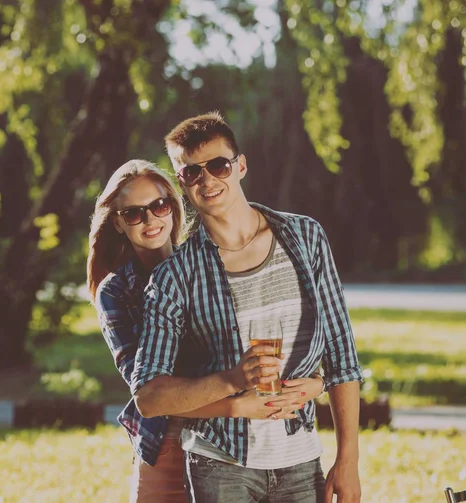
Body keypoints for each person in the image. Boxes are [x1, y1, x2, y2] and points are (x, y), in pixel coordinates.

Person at [131, 113, 364, 503]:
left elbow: (342, 357)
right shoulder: (175, 276)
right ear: (181, 183)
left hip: (301, 459)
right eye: (191, 173)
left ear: (240, 165)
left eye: (218, 165)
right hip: (219, 465)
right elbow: (149, 397)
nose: (207, 179)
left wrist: (348, 460)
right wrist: (234, 378)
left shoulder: (306, 238)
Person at [87, 159, 325, 502]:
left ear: (173, 205)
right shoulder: (116, 292)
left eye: (158, 205)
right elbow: (151, 397)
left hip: (233, 441)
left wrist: (315, 381)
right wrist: (237, 406)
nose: (151, 219)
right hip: (171, 440)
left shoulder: (207, 265)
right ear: (119, 224)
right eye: (134, 214)